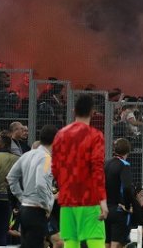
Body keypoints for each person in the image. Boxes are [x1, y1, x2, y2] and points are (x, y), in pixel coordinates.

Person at [51, 94, 108, 248]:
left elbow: (55, 168)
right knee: (96, 239)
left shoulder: (60, 135)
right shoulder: (95, 136)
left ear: (74, 110)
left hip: (67, 200)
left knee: (71, 242)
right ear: (92, 112)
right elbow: (97, 169)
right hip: (89, 198)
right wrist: (102, 200)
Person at [7, 125, 58, 248]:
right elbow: (41, 183)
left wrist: (21, 197)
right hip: (37, 210)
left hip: (24, 209)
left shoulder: (27, 155)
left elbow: (11, 177)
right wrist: (49, 203)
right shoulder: (46, 159)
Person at [104, 138, 141, 248]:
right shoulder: (124, 165)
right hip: (119, 210)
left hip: (105, 208)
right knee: (117, 244)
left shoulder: (106, 164)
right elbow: (127, 188)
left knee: (106, 243)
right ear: (128, 151)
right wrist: (128, 205)